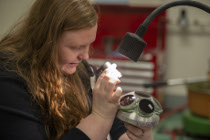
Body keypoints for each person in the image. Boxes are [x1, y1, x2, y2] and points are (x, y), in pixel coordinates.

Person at [0, 0, 154, 140]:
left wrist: (136, 134)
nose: (85, 56)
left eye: (89, 44)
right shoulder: (9, 79)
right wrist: (101, 116)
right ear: (45, 40)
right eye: (75, 47)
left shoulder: (77, 70)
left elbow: (116, 130)